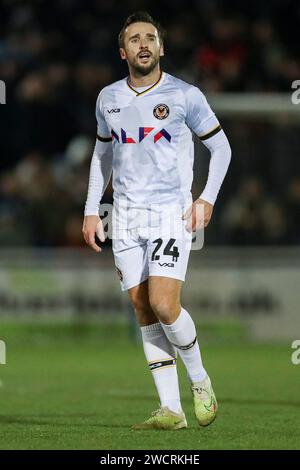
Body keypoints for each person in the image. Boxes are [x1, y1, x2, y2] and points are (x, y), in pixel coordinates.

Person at [82, 11, 231, 430]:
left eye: (150, 37)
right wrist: (92, 209)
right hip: (125, 216)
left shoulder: (185, 95)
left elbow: (222, 150)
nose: (143, 44)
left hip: (170, 214)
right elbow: (102, 154)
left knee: (165, 303)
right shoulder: (108, 98)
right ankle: (171, 409)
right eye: (134, 39)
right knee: (142, 308)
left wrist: (206, 199)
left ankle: (200, 381)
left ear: (161, 47)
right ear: (122, 51)